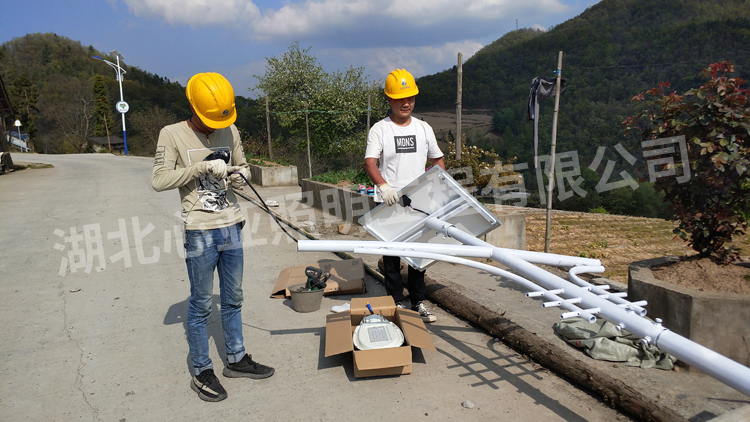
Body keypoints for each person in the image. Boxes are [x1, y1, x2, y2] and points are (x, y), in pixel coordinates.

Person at [152, 72, 274, 402]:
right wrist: (200, 169)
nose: (213, 126)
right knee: (202, 303)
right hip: (200, 230)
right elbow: (159, 180)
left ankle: (236, 359)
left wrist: (240, 174)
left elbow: (241, 165)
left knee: (233, 297)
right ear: (193, 107)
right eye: (208, 120)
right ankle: (202, 369)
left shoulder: (229, 128)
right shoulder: (172, 134)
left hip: (231, 224)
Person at [364, 68, 445, 323]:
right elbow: (370, 162)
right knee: (392, 256)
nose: (406, 103)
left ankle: (418, 301)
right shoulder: (381, 129)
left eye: (410, 98)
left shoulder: (423, 128)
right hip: (390, 200)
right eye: (400, 99)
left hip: (419, 201)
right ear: (388, 99)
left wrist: (437, 186)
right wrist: (385, 187)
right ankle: (395, 301)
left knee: (418, 256)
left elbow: (438, 160)